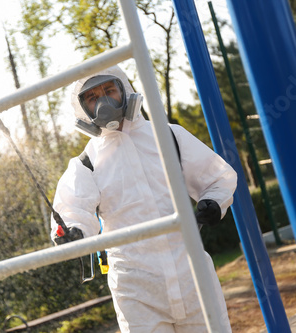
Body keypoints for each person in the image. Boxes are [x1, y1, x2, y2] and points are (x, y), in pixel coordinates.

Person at [50, 65, 237, 332]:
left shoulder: (168, 135)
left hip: (192, 273)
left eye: (109, 90)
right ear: (83, 109)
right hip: (135, 289)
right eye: (92, 97)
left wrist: (214, 202)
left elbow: (217, 177)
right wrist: (72, 234)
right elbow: (73, 211)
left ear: (124, 90)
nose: (103, 101)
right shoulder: (87, 163)